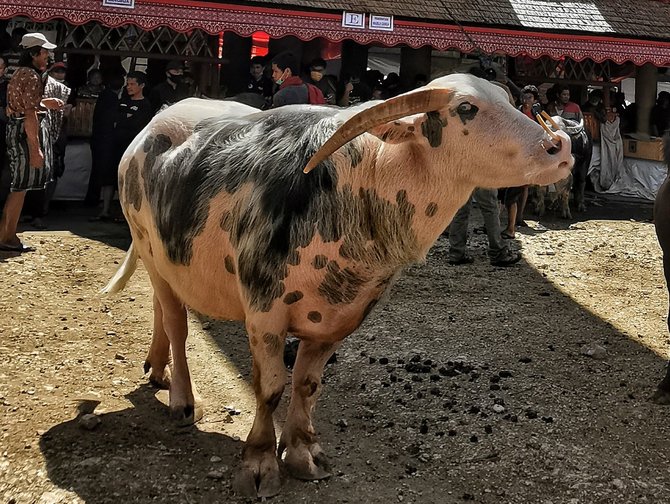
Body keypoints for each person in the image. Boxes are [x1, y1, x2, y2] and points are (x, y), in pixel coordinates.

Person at [0, 33, 64, 252]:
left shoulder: (21, 73)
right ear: (34, 53)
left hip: (16, 129)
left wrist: (45, 102)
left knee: (19, 187)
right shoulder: (32, 76)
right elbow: (28, 113)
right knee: (20, 188)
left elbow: (25, 103)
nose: (47, 55)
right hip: (22, 133)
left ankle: (7, 234)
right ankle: (8, 237)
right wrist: (35, 149)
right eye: (44, 51)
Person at [94, 71, 152, 221]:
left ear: (142, 85)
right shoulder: (121, 102)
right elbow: (115, 119)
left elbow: (136, 124)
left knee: (128, 181)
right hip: (114, 146)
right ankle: (105, 210)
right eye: (128, 84)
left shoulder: (145, 105)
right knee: (109, 178)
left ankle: (124, 213)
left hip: (132, 148)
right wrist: (124, 120)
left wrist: (125, 120)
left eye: (133, 84)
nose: (129, 87)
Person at [447, 188, 521, 267]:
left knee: (461, 211)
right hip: (480, 176)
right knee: (490, 208)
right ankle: (498, 252)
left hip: (461, 177)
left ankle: (456, 252)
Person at [85, 72, 124, 207]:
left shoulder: (103, 96)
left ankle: (92, 199)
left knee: (96, 170)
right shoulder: (112, 98)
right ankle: (93, 200)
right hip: (105, 140)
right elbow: (112, 120)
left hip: (97, 137)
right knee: (101, 171)